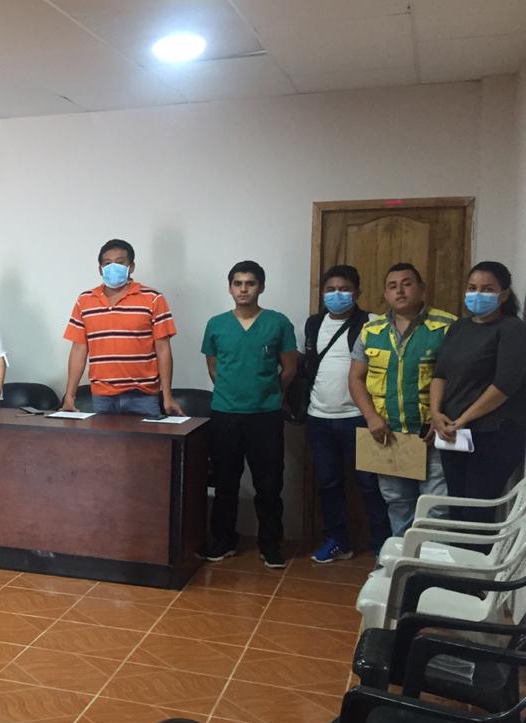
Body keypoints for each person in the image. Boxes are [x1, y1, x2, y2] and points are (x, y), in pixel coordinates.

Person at [200, 260, 298, 569]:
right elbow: (214, 368)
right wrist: (234, 391)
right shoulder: (216, 324)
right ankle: (223, 540)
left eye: (250, 283)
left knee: (269, 484)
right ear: (230, 288)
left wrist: (268, 392)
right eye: (238, 283)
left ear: (261, 287)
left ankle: (270, 545)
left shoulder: (278, 323)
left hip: (265, 415)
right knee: (225, 482)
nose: (243, 289)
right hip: (225, 414)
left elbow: (289, 367)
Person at [348, 263, 455, 535]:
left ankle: (431, 560)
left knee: (436, 507)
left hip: (432, 434)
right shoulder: (371, 330)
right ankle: (403, 559)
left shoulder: (446, 327)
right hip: (389, 433)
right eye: (392, 286)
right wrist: (371, 417)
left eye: (407, 284)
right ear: (385, 294)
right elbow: (356, 378)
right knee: (398, 504)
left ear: (421, 289)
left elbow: (460, 380)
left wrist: (440, 416)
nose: (400, 291)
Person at [300, 264, 391, 562]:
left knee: (370, 484)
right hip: (319, 417)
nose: (336, 295)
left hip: (359, 417)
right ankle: (338, 540)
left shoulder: (372, 323)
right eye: (331, 289)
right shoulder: (314, 323)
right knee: (328, 483)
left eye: (344, 289)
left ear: (357, 293)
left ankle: (382, 544)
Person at [430, 261, 526, 522]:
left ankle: (475, 551)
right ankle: (456, 549)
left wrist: (463, 419)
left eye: (487, 289)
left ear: (504, 295)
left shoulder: (512, 329)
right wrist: (436, 414)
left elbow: (505, 385)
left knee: (477, 511)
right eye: (472, 288)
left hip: (493, 434)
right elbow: (440, 374)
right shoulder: (459, 327)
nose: (478, 294)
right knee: (456, 506)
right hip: (453, 433)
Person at [60, 239, 183, 416]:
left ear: (131, 267)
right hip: (101, 396)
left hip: (143, 396)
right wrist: (70, 395)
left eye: (120, 262)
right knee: (101, 436)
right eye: (107, 263)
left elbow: (163, 350)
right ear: (100, 269)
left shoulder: (153, 298)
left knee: (147, 436)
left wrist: (167, 396)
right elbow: (79, 349)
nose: (113, 267)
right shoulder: (84, 301)